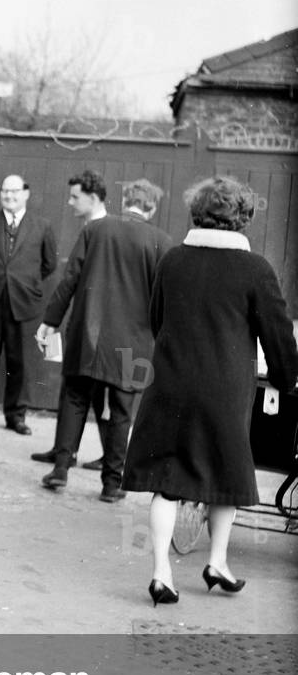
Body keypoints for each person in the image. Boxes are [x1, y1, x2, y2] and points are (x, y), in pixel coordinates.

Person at [122, 177, 298, 605]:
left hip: (170, 385)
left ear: (197, 212)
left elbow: (156, 318)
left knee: (167, 480)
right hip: (224, 393)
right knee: (226, 475)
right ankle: (217, 562)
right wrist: (285, 378)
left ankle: (162, 572)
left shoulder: (173, 261)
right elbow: (277, 337)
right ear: (242, 218)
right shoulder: (256, 269)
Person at [35, 179, 172, 502]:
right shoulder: (161, 242)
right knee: (122, 411)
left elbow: (70, 280)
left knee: (75, 398)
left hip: (88, 334)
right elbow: (162, 300)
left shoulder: (95, 230)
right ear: (152, 207)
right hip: (133, 344)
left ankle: (61, 470)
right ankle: (112, 484)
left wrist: (50, 321)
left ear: (126, 200)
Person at [0, 174, 57, 435]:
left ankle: (16, 416)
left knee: (21, 363)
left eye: (15, 192)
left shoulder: (42, 226)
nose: (9, 196)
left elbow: (49, 264)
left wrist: (22, 282)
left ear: (26, 193)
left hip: (24, 305)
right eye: (5, 191)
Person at [31, 169, 108, 468]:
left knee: (94, 394)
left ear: (93, 197)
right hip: (86, 322)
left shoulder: (101, 230)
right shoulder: (92, 227)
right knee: (75, 390)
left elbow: (70, 281)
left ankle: (107, 458)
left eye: (76, 197)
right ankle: (65, 450)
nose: (70, 202)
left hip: (97, 327)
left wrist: (50, 321)